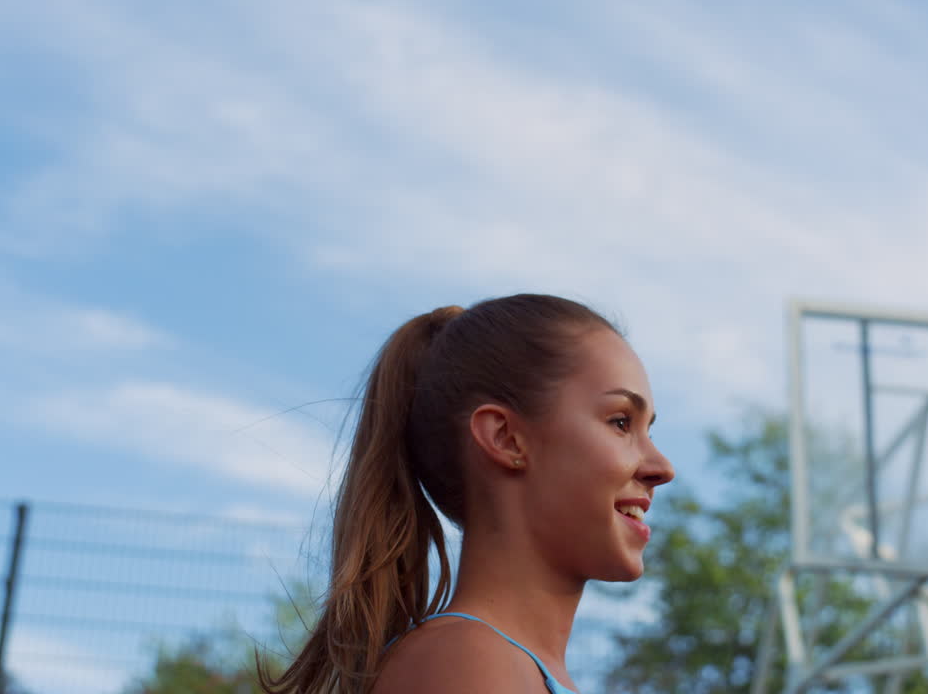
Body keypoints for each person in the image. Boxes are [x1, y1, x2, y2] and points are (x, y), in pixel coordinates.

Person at [261, 294, 675, 693]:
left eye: (647, 430)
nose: (662, 468)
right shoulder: (466, 662)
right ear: (506, 439)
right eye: (621, 422)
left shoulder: (491, 664)